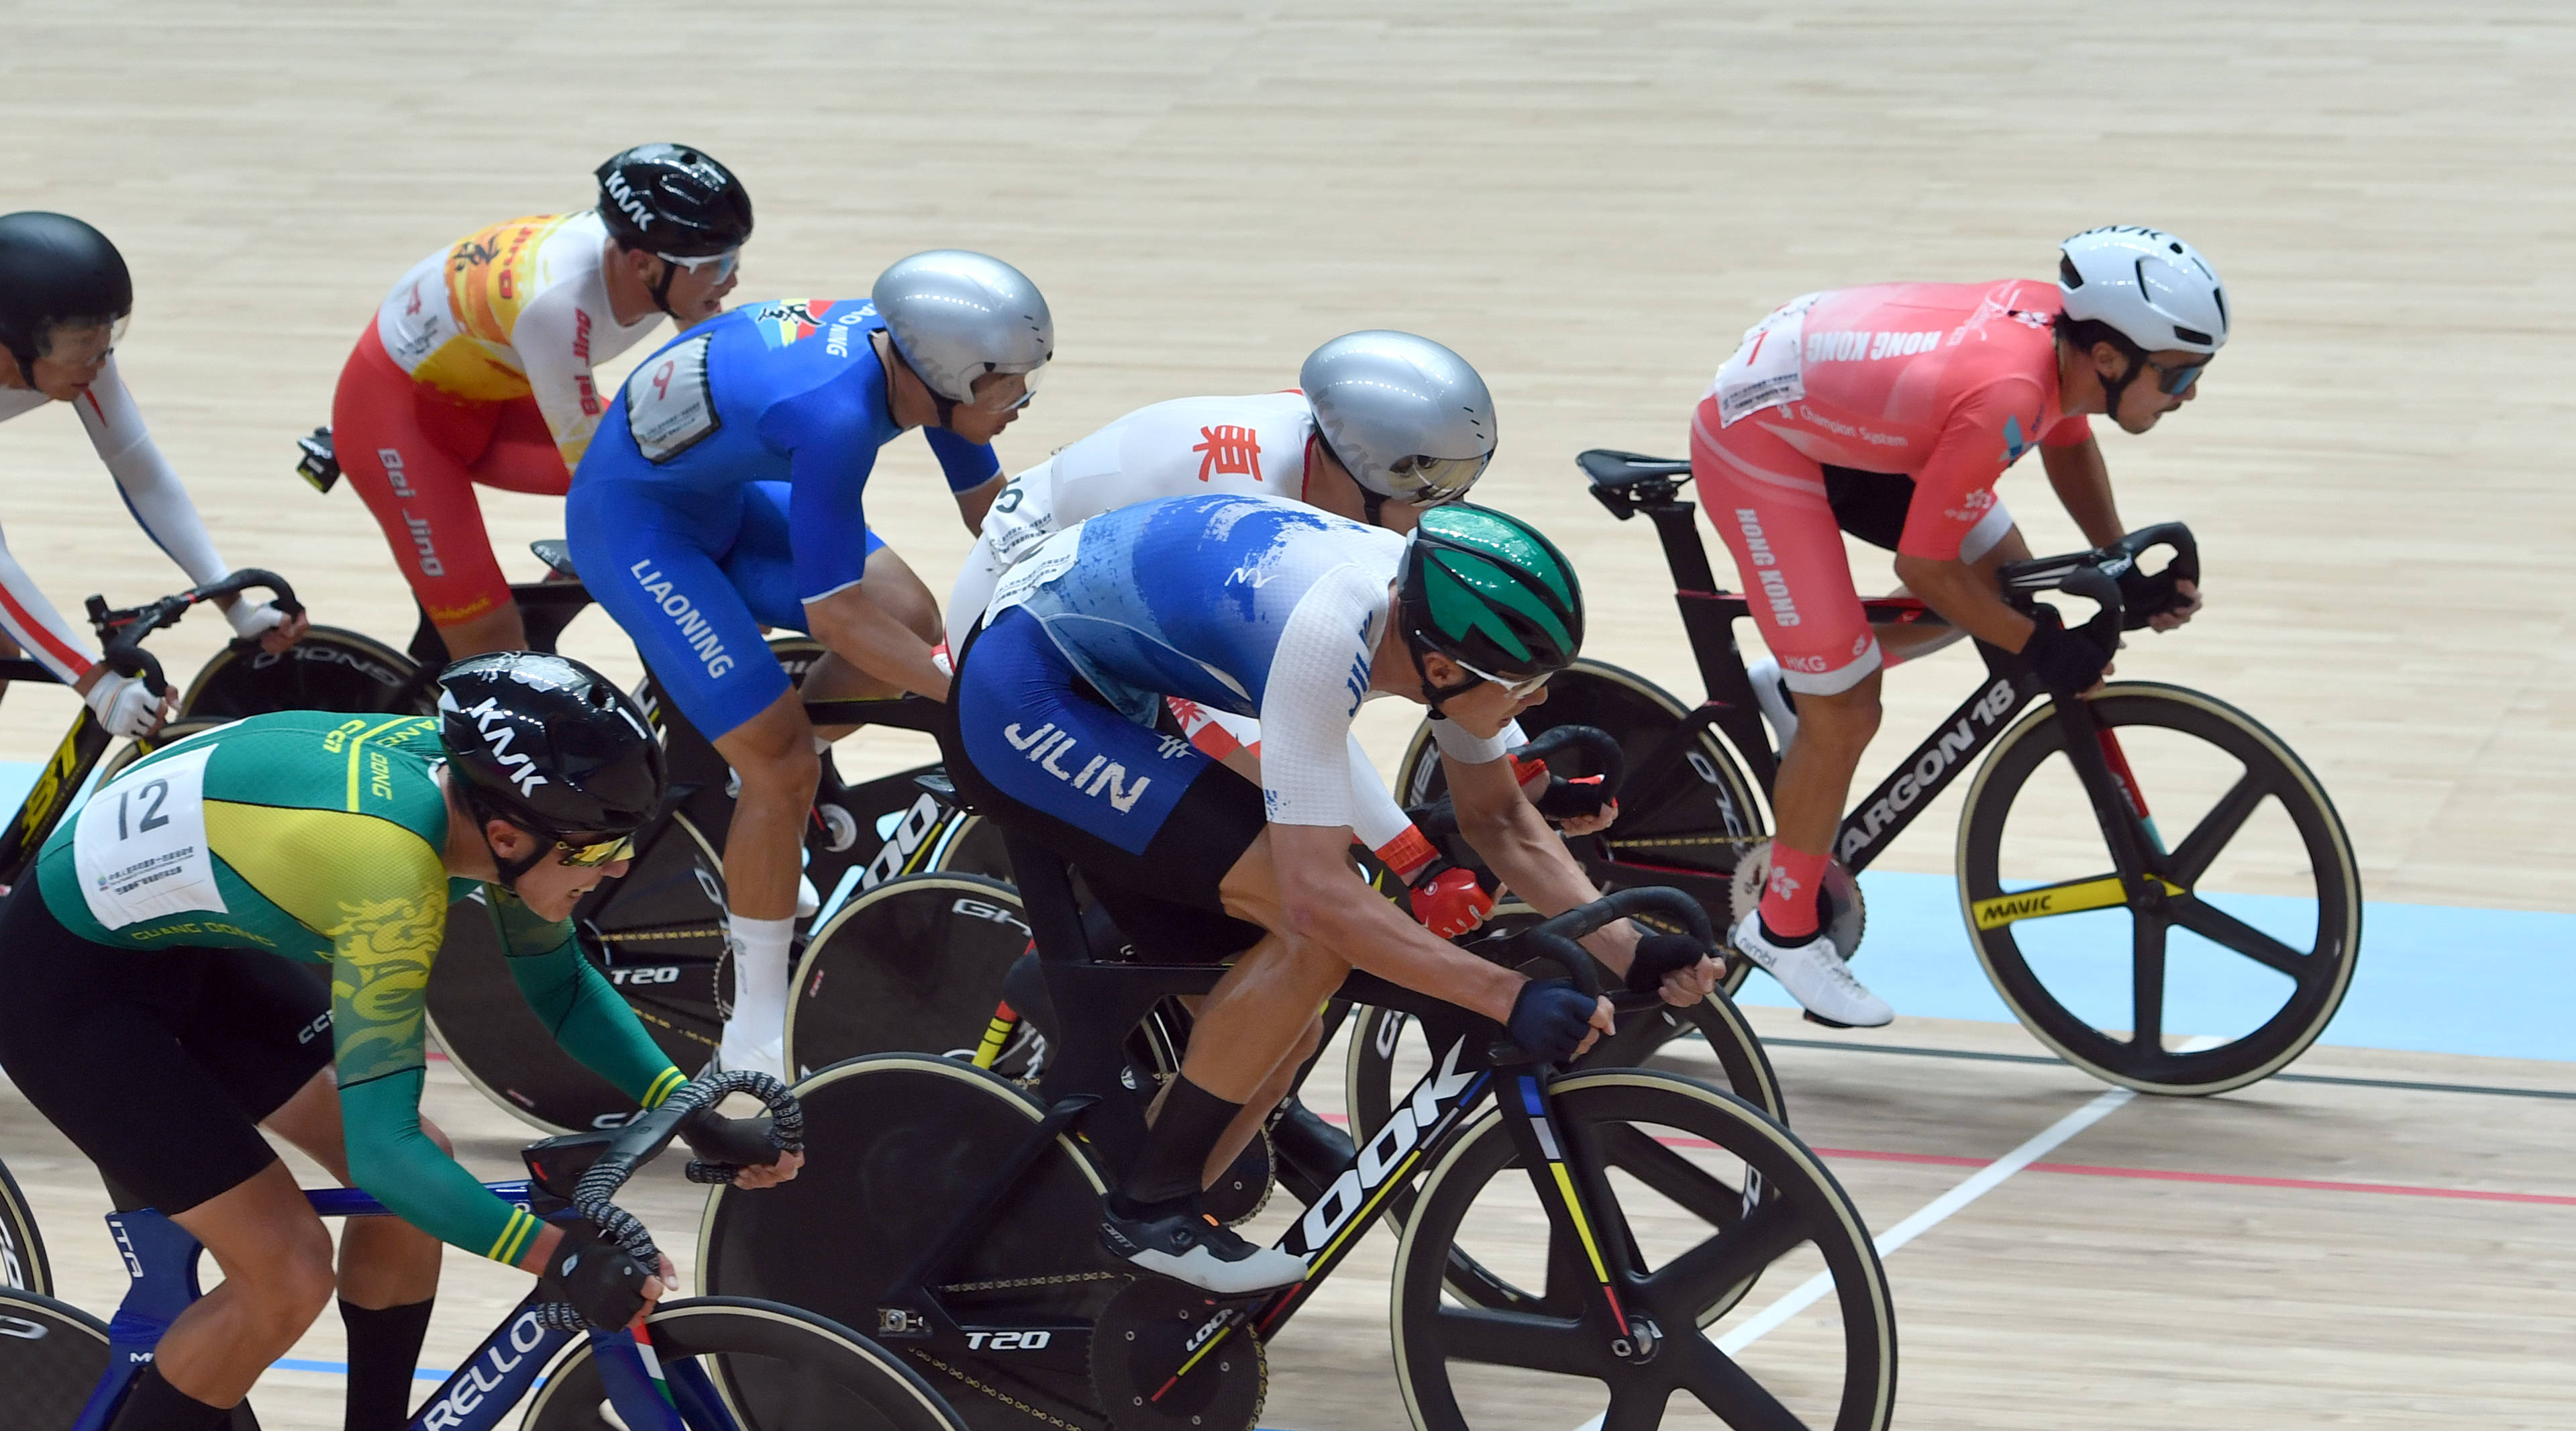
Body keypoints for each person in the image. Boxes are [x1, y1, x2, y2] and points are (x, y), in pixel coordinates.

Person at [0, 654, 803, 1431]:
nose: (611, 870)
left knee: (422, 1180)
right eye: (597, 854)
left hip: (191, 940)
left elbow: (560, 984)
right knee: (282, 1270)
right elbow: (384, 1147)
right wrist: (553, 1257)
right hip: (72, 990)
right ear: (507, 832)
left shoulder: (492, 815)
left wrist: (686, 1109)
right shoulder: (390, 874)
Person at [945, 493, 1721, 1293]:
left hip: (1110, 679)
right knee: (1309, 938)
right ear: (1443, 670)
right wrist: (1505, 994)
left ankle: (1082, 1267)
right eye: (1526, 684)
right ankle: (1147, 1212)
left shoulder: (1425, 620)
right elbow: (1317, 900)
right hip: (1027, 693)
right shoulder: (1324, 637)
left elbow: (1499, 819)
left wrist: (1631, 956)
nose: (1539, 701)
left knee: (1282, 1041)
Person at [1690, 225, 2221, 1027]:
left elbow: (2068, 447)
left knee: (2005, 596)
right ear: (2108, 358)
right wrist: (2040, 644)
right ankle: (1781, 926)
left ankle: (1796, 689)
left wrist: (2114, 564)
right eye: (2177, 375)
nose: (2186, 397)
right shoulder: (2008, 394)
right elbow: (1925, 569)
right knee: (1851, 702)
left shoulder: (2062, 349)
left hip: (1846, 408)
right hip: (1760, 437)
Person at [945, 330, 1612, 947]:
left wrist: (1518, 766)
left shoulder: (1343, 453)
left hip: (1116, 585)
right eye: (1429, 494)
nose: (1440, 513)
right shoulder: (1249, 493)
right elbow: (1277, 711)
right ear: (1356, 468)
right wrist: (1412, 858)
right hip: (1019, 608)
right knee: (1270, 832)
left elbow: (1440, 638)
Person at [568, 249, 1049, 1077]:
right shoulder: (833, 416)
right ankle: (752, 1025)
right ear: (952, 374)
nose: (1023, 400)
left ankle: (773, 772)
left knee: (911, 616)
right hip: (638, 529)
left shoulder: (923, 370)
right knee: (780, 764)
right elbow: (836, 614)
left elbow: (997, 524)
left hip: (715, 493)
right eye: (1011, 383)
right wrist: (967, 694)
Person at [0, 211, 308, 937]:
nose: (97, 359)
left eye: (105, 336)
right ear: (8, 339)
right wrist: (95, 681)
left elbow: (139, 468)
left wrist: (232, 602)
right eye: (79, 345)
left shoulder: (66, 348)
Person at [331, 144, 754, 660]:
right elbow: (595, 472)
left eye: (733, 257)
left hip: (499, 394)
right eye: (716, 264)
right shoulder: (556, 304)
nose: (731, 279)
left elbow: (706, 376)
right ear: (642, 263)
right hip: (397, 423)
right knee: (494, 646)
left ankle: (549, 596)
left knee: (682, 467)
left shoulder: (649, 267)